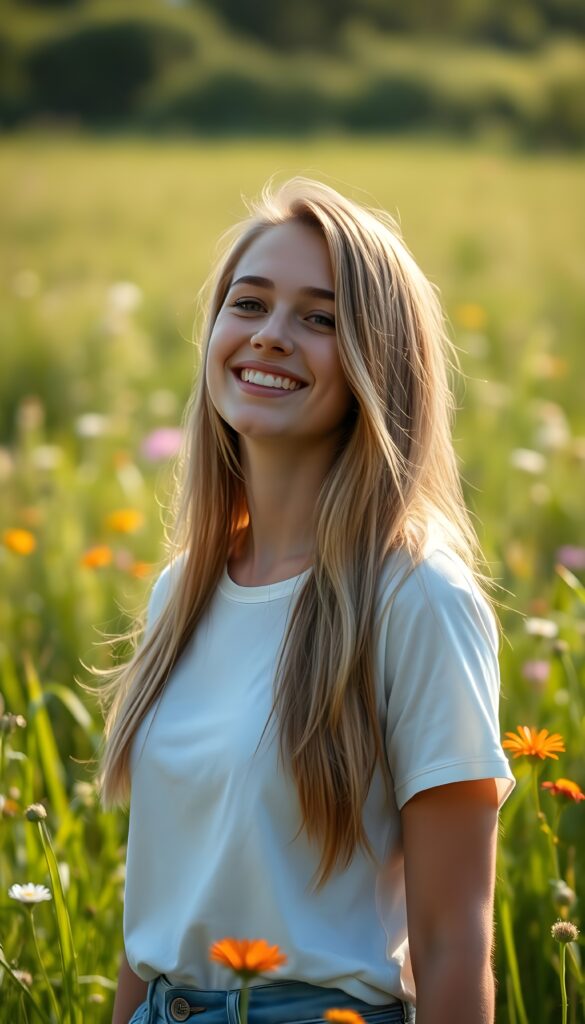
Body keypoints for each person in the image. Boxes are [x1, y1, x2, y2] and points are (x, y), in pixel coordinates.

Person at [95, 177, 517, 1024]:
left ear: (379, 362)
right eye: (248, 304)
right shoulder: (183, 590)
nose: (271, 337)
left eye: (319, 318)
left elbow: (451, 940)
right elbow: (160, 916)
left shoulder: (416, 600)